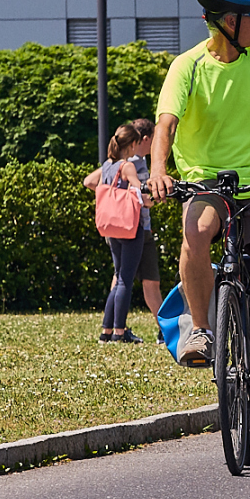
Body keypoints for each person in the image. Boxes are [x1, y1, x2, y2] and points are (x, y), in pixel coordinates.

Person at [147, 0, 250, 426]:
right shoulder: (188, 66)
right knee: (195, 233)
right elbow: (165, 126)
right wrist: (159, 172)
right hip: (206, 184)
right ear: (228, 22)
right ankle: (200, 330)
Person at [85, 123, 147, 344]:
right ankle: (119, 331)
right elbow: (140, 193)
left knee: (119, 276)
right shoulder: (127, 166)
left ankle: (106, 331)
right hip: (130, 226)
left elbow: (89, 182)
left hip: (112, 228)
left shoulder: (107, 165)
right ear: (131, 144)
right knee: (125, 281)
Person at [128, 118, 163, 336]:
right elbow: (144, 197)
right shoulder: (137, 163)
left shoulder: (120, 161)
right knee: (152, 282)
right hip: (140, 227)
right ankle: (164, 331)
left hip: (124, 227)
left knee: (121, 279)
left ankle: (113, 328)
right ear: (146, 138)